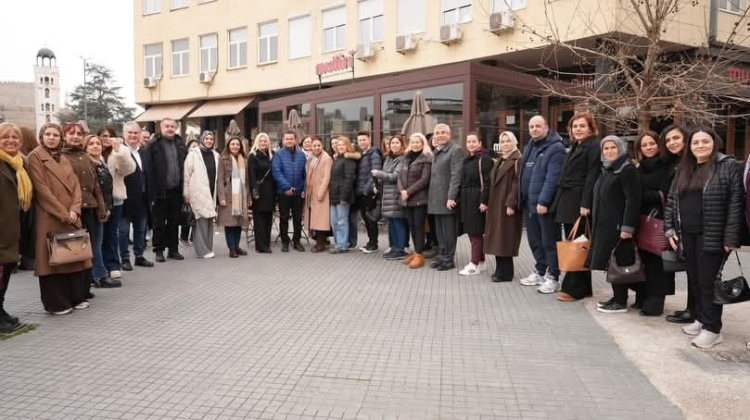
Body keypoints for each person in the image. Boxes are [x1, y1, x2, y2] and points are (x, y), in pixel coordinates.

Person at [664, 128, 743, 348]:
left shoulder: (727, 166)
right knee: (695, 280)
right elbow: (671, 201)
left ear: (714, 142)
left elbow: (735, 203)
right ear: (690, 146)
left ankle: (712, 329)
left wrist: (731, 237)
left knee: (708, 283)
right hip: (687, 235)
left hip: (713, 235)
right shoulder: (684, 168)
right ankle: (700, 319)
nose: (700, 145)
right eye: (696, 142)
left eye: (705, 141)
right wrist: (670, 229)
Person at [28, 123, 91, 315]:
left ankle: (75, 297)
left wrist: (75, 210)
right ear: (41, 136)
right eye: (48, 134)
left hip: (70, 216)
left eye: (55, 135)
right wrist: (64, 213)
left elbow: (76, 186)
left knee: (72, 256)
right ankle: (56, 303)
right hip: (50, 216)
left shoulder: (63, 157)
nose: (51, 138)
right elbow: (41, 190)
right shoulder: (35, 156)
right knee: (52, 260)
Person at [586, 135, 641, 313]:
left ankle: (620, 302)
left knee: (618, 262)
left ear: (621, 148)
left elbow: (633, 200)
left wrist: (627, 227)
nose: (609, 151)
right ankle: (617, 296)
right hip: (604, 225)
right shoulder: (607, 169)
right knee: (611, 262)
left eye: (613, 147)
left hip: (618, 226)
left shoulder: (627, 169)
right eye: (606, 148)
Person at [551, 113, 601, 301]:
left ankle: (573, 289)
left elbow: (592, 175)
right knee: (578, 243)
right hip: (568, 200)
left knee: (577, 244)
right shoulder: (576, 146)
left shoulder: (593, 146)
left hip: (580, 201)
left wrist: (586, 203)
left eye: (582, 126)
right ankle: (584, 288)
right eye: (575, 126)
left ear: (591, 128)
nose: (578, 129)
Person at [627, 131, 676, 316]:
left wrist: (638, 194)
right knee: (642, 260)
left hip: (658, 219)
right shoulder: (639, 167)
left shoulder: (667, 166)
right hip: (640, 219)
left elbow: (664, 194)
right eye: (644, 145)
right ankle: (642, 297)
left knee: (657, 263)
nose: (648, 147)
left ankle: (655, 303)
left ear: (659, 145)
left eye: (652, 143)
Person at [61, 123, 110, 292]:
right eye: (71, 133)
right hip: (74, 210)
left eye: (79, 134)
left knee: (92, 246)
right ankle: (80, 286)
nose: (75, 136)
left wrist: (101, 208)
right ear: (64, 136)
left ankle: (88, 283)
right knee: (76, 249)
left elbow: (95, 186)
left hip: (90, 207)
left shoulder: (85, 157)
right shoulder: (61, 156)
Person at [518, 115, 565, 293]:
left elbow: (553, 178)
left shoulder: (556, 148)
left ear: (546, 128)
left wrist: (543, 201)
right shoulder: (530, 146)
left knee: (549, 242)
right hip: (530, 204)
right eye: (531, 126)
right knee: (535, 241)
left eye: (538, 126)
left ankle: (553, 276)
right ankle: (540, 271)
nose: (534, 129)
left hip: (545, 206)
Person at [658, 125, 693, 324]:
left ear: (686, 138)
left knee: (699, 272)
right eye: (668, 140)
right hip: (680, 224)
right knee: (691, 269)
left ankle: (696, 312)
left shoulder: (691, 162)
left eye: (676, 138)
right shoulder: (674, 162)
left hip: (693, 224)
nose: (672, 142)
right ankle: (692, 309)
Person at [0, 123, 33, 332]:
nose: (11, 141)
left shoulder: (21, 164)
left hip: (15, 229)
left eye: (15, 137)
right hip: (2, 230)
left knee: (6, 273)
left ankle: (1, 310)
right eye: (5, 137)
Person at [144, 118, 187, 262]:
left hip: (176, 190)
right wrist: (151, 194)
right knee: (159, 223)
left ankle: (173, 250)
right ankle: (159, 250)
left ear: (176, 128)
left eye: (172, 126)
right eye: (167, 126)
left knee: (174, 222)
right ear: (161, 127)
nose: (170, 129)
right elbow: (148, 170)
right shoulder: (153, 145)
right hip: (159, 192)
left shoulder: (180, 144)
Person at [484, 131, 523, 282]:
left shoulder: (518, 159)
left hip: (507, 205)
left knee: (506, 238)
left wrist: (511, 203)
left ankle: (506, 274)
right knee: (498, 238)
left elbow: (517, 183)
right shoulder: (501, 160)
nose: (505, 144)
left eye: (508, 141)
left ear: (514, 142)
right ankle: (499, 270)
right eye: (502, 141)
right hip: (496, 205)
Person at [428, 123, 465, 271]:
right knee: (439, 231)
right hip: (436, 198)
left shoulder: (455, 150)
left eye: (443, 132)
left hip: (447, 198)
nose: (440, 135)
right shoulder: (437, 151)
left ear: (449, 134)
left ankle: (449, 259)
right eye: (437, 133)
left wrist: (451, 197)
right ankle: (442, 256)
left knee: (449, 231)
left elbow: (456, 176)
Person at [84, 134, 120, 289]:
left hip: (103, 207)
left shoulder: (101, 162)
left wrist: (107, 207)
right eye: (91, 144)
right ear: (85, 147)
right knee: (96, 243)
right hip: (93, 209)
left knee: (99, 242)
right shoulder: (88, 164)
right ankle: (99, 275)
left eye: (97, 143)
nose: (95, 146)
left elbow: (106, 189)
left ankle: (96, 274)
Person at [102, 129, 135, 281]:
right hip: (97, 200)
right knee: (99, 235)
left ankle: (113, 265)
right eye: (103, 136)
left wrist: (118, 152)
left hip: (115, 198)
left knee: (112, 233)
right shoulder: (92, 149)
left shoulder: (120, 151)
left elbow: (128, 169)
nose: (107, 139)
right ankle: (100, 265)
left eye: (110, 136)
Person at [120, 122, 153, 270]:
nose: (133, 135)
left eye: (136, 133)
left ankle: (139, 256)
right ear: (124, 135)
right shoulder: (120, 152)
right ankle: (124, 258)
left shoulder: (144, 152)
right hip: (125, 199)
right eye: (130, 133)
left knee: (140, 229)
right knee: (123, 231)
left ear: (140, 135)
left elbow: (148, 174)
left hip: (143, 199)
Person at [458, 132, 493, 276]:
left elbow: (488, 181)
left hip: (477, 198)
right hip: (467, 198)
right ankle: (481, 261)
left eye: (474, 141)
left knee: (475, 232)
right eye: (468, 142)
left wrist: (484, 201)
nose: (471, 144)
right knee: (472, 231)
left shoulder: (484, 158)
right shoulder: (468, 159)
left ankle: (474, 264)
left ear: (480, 143)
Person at [184, 131, 220, 259]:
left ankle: (208, 248)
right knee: (200, 221)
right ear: (202, 140)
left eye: (211, 139)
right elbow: (186, 174)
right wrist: (186, 193)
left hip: (211, 192)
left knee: (209, 221)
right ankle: (201, 251)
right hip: (197, 192)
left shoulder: (216, 155)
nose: (209, 141)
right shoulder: (193, 154)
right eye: (207, 138)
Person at [399, 133, 432, 269]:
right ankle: (416, 252)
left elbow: (424, 180)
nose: (415, 144)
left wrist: (408, 192)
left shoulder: (426, 159)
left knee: (419, 227)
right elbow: (399, 177)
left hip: (419, 199)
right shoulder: (406, 157)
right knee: (412, 226)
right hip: (406, 199)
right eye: (413, 142)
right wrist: (402, 190)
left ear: (423, 143)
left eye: (418, 142)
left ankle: (419, 255)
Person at [372, 135, 408, 260]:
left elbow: (394, 176)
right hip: (386, 194)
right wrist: (377, 184)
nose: (394, 145)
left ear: (402, 145)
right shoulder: (388, 157)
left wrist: (378, 173)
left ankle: (401, 249)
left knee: (398, 222)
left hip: (396, 194)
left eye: (397, 143)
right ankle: (394, 247)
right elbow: (385, 175)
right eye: (392, 143)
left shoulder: (403, 158)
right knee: (392, 223)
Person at [272, 131, 307, 252]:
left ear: (295, 140)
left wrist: (301, 188)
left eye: (291, 139)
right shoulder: (278, 154)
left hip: (298, 192)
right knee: (284, 217)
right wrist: (287, 187)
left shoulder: (301, 155)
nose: (289, 141)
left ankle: (297, 241)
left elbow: (305, 174)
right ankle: (285, 241)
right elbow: (276, 172)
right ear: (283, 140)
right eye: (287, 139)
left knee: (298, 218)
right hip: (283, 192)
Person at [217, 137, 250, 258]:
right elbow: (220, 180)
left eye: (237, 144)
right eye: (232, 144)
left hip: (242, 194)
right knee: (230, 223)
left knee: (239, 222)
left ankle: (236, 246)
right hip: (228, 194)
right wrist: (221, 197)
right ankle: (231, 248)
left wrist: (248, 197)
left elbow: (247, 181)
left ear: (240, 146)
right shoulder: (223, 159)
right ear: (228, 146)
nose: (235, 146)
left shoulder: (244, 160)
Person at [350, 131, 382, 253]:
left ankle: (374, 244)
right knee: (365, 219)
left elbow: (376, 172)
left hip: (367, 192)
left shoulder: (373, 153)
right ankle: (370, 242)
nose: (362, 142)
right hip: (360, 192)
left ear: (369, 140)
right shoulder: (361, 155)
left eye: (364, 139)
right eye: (360, 140)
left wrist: (366, 190)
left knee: (370, 219)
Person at [329, 137, 359, 253]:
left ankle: (342, 246)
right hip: (334, 194)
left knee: (342, 221)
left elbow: (349, 179)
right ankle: (338, 243)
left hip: (343, 195)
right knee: (334, 221)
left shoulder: (349, 159)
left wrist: (344, 196)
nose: (340, 147)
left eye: (343, 145)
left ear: (348, 146)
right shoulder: (337, 158)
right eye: (339, 145)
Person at [248, 133, 276, 253]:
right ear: (257, 142)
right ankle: (260, 245)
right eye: (261, 141)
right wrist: (255, 191)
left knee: (268, 218)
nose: (263, 143)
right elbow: (251, 176)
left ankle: (266, 243)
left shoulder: (272, 155)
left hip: (270, 191)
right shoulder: (253, 156)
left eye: (265, 141)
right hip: (259, 191)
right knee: (259, 220)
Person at [305, 136, 333, 253]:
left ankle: (320, 244)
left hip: (321, 192)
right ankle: (320, 241)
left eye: (319, 145)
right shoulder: (311, 157)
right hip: (311, 191)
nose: (317, 147)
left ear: (322, 146)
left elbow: (327, 178)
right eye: (314, 145)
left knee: (321, 219)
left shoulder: (327, 158)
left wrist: (321, 193)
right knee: (315, 218)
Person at [180, 139, 200, 247]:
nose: (195, 148)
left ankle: (193, 237)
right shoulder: (184, 159)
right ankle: (183, 237)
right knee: (187, 215)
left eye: (197, 146)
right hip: (188, 191)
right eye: (193, 146)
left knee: (196, 216)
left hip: (198, 191)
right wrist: (185, 193)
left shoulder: (200, 160)